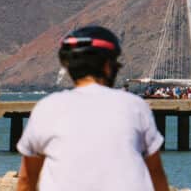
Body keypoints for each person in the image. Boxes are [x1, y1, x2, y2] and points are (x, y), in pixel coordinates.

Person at [16, 25, 168, 191]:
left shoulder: (46, 108)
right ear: (107, 67)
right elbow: (156, 174)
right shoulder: (135, 106)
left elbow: (26, 179)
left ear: (69, 68)